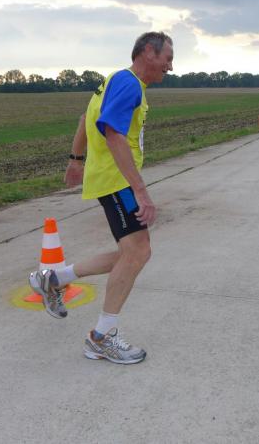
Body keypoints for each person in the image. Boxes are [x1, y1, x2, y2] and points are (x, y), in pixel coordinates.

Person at [29, 31, 174, 365]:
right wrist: (140, 190)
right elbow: (113, 133)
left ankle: (53, 280)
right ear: (148, 52)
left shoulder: (114, 80)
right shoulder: (130, 84)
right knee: (138, 253)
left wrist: (75, 160)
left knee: (131, 253)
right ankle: (101, 337)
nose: (170, 66)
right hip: (117, 180)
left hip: (110, 178)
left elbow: (86, 119)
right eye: (167, 58)